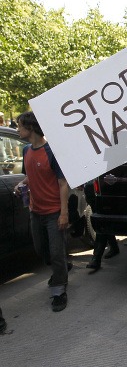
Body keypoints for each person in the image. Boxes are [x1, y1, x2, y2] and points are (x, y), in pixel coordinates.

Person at [14, 111, 70, 312]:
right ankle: (62, 266)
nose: (17, 129)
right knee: (41, 250)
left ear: (30, 128)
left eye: (19, 126)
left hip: (54, 212)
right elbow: (31, 174)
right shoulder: (26, 150)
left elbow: (63, 183)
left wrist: (64, 213)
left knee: (56, 253)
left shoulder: (51, 152)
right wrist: (22, 183)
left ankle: (59, 291)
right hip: (35, 211)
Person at [83, 182, 120, 271]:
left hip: (100, 187)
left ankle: (96, 257)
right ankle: (114, 246)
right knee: (102, 220)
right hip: (90, 188)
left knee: (101, 222)